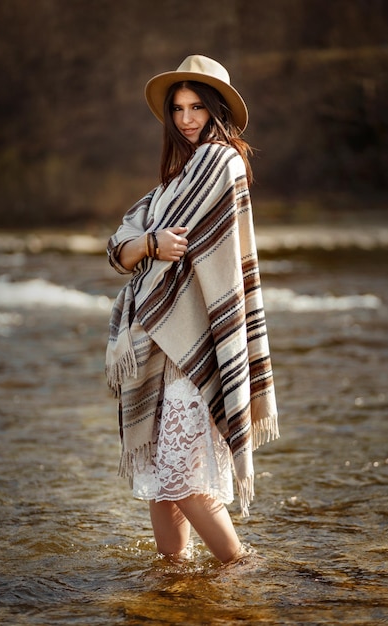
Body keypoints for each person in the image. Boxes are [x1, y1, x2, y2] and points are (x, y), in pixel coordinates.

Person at [105, 55, 279, 564]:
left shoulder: (222, 164)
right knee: (162, 480)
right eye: (178, 108)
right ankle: (174, 584)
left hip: (194, 339)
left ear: (216, 108)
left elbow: (169, 246)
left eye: (197, 106)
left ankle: (243, 572)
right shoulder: (171, 183)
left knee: (182, 481)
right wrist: (149, 242)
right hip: (157, 345)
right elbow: (120, 244)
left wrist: (148, 244)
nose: (186, 118)